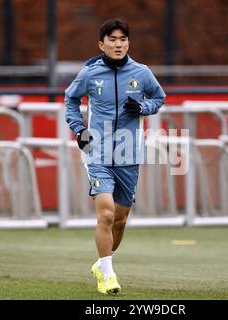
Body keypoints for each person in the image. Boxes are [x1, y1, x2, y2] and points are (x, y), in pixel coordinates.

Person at [65, 18, 166, 295]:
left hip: (129, 153)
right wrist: (79, 130)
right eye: (112, 39)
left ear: (128, 43)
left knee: (120, 220)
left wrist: (143, 107)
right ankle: (108, 275)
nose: (118, 44)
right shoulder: (89, 73)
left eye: (122, 39)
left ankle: (102, 263)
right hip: (97, 152)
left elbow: (159, 98)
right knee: (106, 213)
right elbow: (70, 99)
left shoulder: (142, 72)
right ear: (102, 44)